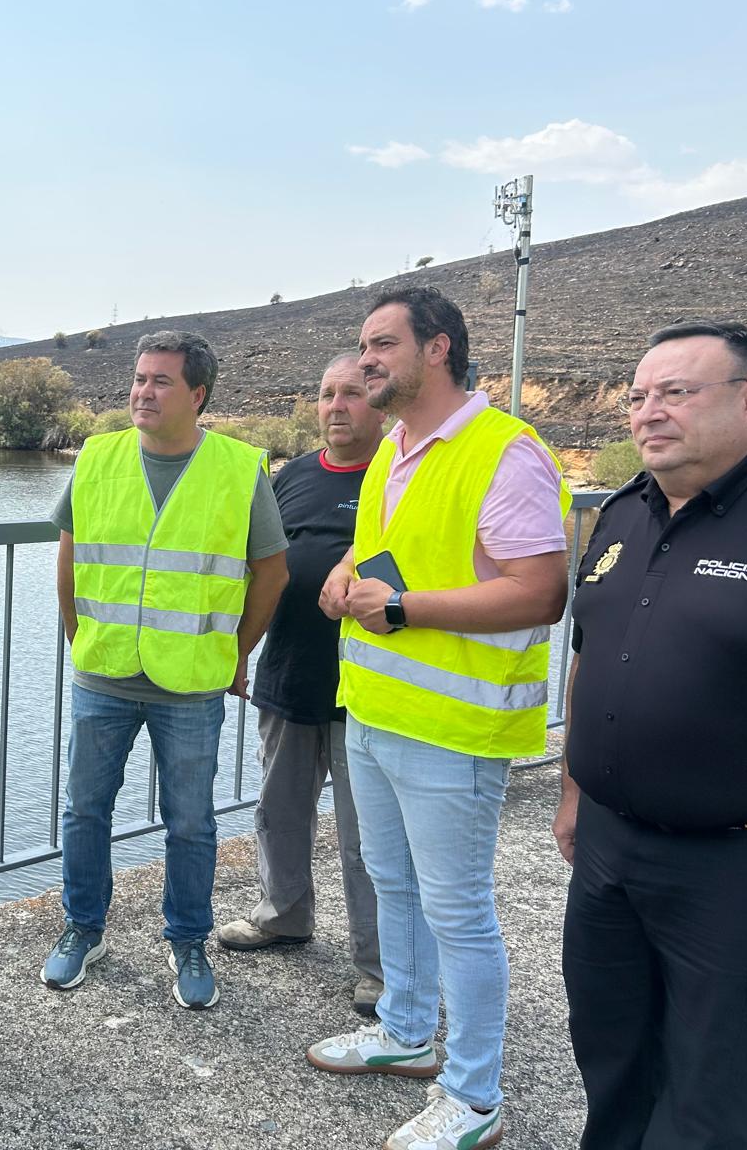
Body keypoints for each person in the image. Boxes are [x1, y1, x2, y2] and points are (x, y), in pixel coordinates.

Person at [307, 286, 569, 1150]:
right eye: (362, 344)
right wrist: (343, 575)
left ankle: (475, 1097)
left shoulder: (505, 451)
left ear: (441, 348)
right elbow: (379, 540)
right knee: (394, 887)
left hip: (456, 731)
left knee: (457, 911)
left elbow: (541, 591)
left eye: (382, 344)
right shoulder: (399, 445)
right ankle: (405, 1033)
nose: (367, 358)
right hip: (377, 712)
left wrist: (407, 608)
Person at [556, 320, 747, 1147]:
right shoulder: (620, 516)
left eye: (675, 393)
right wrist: (575, 794)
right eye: (638, 396)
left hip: (739, 867)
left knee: (709, 1089)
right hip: (609, 852)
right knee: (610, 1058)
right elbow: (591, 657)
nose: (648, 413)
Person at [42, 329, 288, 1010]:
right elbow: (67, 560)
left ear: (198, 395)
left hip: (191, 684)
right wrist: (79, 639)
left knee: (191, 821)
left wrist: (236, 652)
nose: (142, 392)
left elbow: (272, 571)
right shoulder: (97, 457)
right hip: (104, 675)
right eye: (139, 378)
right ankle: (82, 930)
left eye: (160, 382)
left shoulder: (241, 470)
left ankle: (187, 940)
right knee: (84, 810)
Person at [217, 352, 384, 1017]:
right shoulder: (294, 475)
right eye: (325, 394)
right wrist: (236, 649)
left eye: (351, 393)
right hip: (289, 672)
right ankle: (282, 914)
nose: (336, 407)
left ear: (379, 402)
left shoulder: (399, 477)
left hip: (367, 687)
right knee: (278, 809)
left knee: (364, 833)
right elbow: (257, 563)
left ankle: (378, 964)